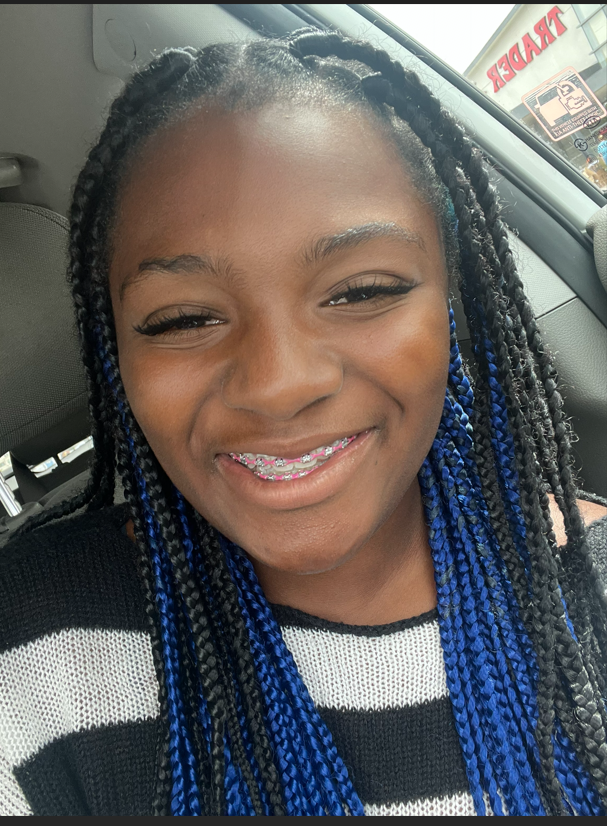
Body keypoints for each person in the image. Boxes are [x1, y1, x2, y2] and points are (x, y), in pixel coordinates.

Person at [1, 30, 606, 817]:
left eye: (361, 291)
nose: (278, 385)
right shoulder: (30, 650)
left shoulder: (588, 582)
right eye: (183, 318)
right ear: (116, 350)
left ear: (451, 305)